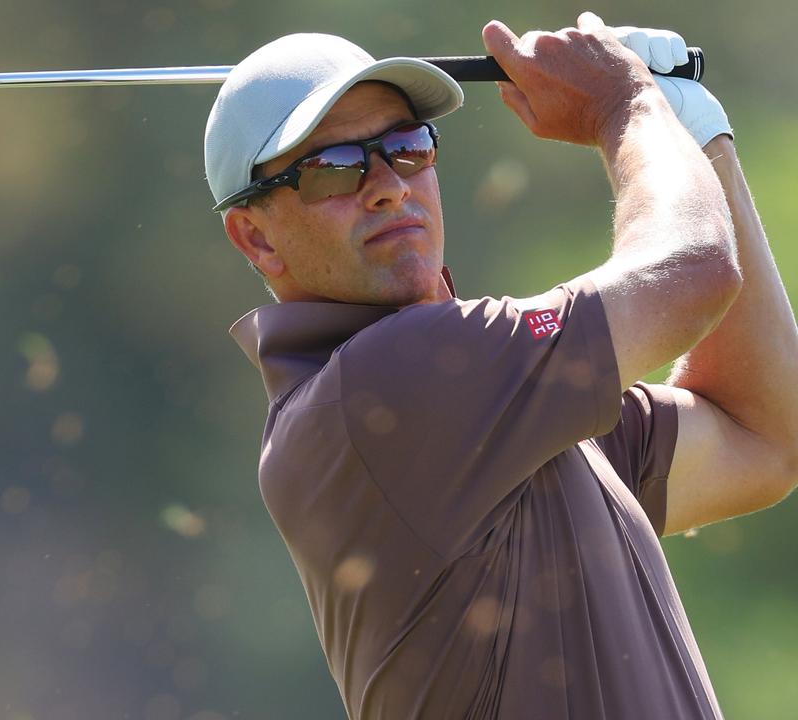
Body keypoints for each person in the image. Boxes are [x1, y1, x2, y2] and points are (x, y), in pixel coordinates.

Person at [203, 13, 798, 719]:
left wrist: (698, 140)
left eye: (405, 145)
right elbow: (691, 270)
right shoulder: (385, 384)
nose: (388, 184)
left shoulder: (502, 404)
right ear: (256, 239)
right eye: (332, 169)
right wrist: (629, 108)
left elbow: (765, 437)